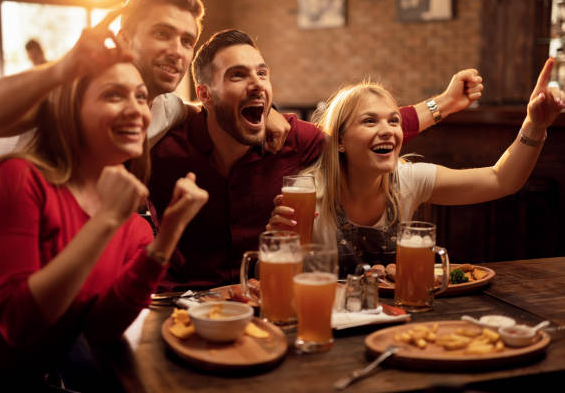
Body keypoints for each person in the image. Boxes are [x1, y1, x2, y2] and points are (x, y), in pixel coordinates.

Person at [0, 9, 208, 388]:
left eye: (140, 98)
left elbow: (101, 327)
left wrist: (167, 236)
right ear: (71, 111)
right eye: (113, 95)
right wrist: (106, 220)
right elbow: (18, 324)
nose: (137, 110)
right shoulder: (17, 177)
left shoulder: (133, 223)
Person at [149, 28, 483, 291]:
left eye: (262, 74)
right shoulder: (163, 151)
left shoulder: (295, 139)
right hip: (179, 305)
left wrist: (444, 103)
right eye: (238, 76)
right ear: (204, 93)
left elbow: (362, 135)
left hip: (267, 304)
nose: (257, 85)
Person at [0, 0, 290, 231]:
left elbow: (204, 106)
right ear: (125, 39)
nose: (177, 51)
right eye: (162, 33)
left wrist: (267, 111)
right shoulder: (74, 88)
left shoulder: (165, 107)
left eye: (187, 41)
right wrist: (61, 68)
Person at [267, 58, 564, 276]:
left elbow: (501, 180)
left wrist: (534, 126)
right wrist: (278, 241)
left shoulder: (407, 179)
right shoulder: (307, 193)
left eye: (393, 121)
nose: (388, 130)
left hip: (398, 320)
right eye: (370, 121)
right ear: (341, 141)